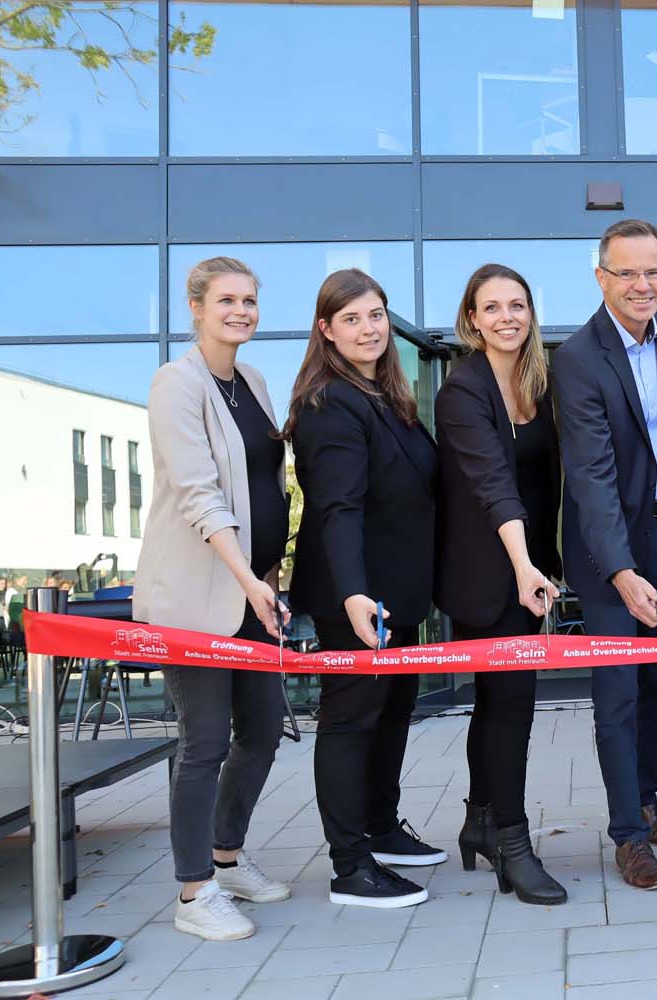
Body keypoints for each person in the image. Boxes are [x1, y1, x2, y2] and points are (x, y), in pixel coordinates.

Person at [132, 256, 290, 941]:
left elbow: (267, 487)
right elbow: (199, 492)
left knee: (260, 733)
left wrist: (271, 576)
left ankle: (226, 858)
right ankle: (193, 892)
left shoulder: (252, 380)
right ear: (195, 308)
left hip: (255, 591)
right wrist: (247, 577)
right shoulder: (176, 383)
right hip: (198, 596)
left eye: (250, 300)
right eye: (227, 300)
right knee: (205, 741)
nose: (241, 311)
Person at [286, 268, 446, 908]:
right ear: (326, 330)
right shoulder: (329, 404)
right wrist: (354, 595)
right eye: (351, 318)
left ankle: (381, 828)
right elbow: (336, 508)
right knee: (351, 723)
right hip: (357, 600)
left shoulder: (388, 397)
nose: (368, 328)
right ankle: (350, 867)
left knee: (393, 715)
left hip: (398, 594)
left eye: (376, 314)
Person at [552, 219, 657, 891]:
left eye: (654, 271)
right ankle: (628, 836)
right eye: (628, 273)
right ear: (600, 277)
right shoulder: (577, 359)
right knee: (618, 691)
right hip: (607, 543)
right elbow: (592, 476)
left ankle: (646, 797)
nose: (643, 285)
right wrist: (621, 571)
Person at [434, 263, 566, 905]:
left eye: (518, 304)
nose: (507, 317)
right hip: (490, 574)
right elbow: (493, 482)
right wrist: (522, 566)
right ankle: (513, 845)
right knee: (510, 705)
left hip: (530, 568)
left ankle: (479, 818)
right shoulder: (461, 391)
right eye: (493, 307)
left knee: (498, 702)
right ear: (472, 319)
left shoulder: (540, 382)